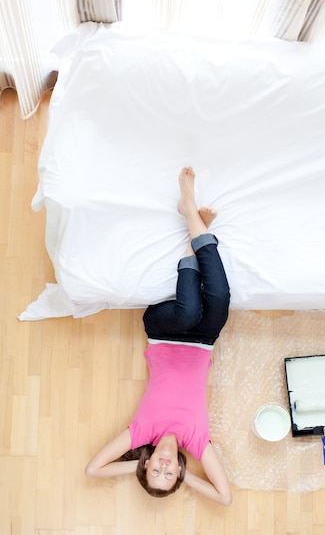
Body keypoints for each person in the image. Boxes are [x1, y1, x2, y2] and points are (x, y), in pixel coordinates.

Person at [85, 166, 232, 506]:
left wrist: (135, 464)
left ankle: (189, 207)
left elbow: (93, 470)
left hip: (163, 332)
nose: (164, 469)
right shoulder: (197, 443)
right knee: (221, 298)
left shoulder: (141, 433)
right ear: (178, 469)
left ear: (147, 464)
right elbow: (225, 499)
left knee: (188, 311)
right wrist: (188, 477)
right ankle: (194, 226)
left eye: (155, 473)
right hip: (203, 341)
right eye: (170, 476)